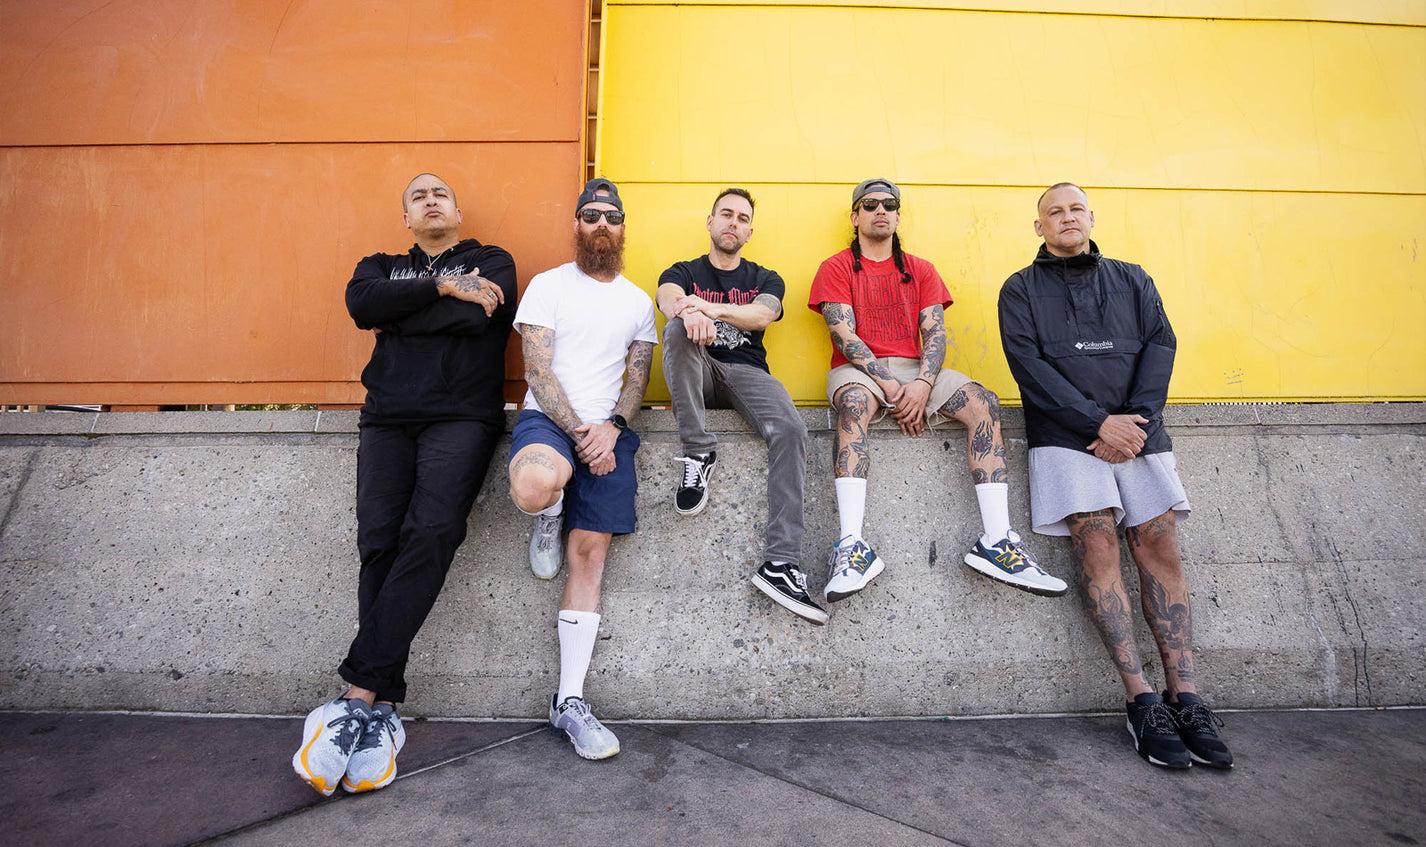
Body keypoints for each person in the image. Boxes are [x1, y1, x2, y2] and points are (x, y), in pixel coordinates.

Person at [294, 173, 516, 795]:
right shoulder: (379, 266)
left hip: (461, 417)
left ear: (458, 210)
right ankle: (383, 710)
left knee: (433, 532)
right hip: (387, 418)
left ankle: (355, 697)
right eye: (418, 196)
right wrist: (442, 288)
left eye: (440, 194)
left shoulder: (492, 260)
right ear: (406, 218)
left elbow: (476, 320)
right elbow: (363, 307)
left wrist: (401, 315)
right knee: (378, 543)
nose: (430, 200)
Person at [998, 182, 1233, 770]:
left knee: (1161, 550)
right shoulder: (1019, 288)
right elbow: (1028, 367)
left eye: (1076, 208)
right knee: (1098, 551)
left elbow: (1161, 346)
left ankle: (1186, 696)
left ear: (1091, 217)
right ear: (1039, 227)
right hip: (1066, 438)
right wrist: (1097, 423)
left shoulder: (1133, 279)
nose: (1067, 217)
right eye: (1054, 212)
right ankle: (1141, 700)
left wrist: (1133, 423)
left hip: (1139, 432)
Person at [807, 178, 1067, 606]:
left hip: (918, 371)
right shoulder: (836, 267)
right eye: (869, 204)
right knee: (854, 403)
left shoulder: (921, 269)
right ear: (855, 216)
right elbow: (844, 336)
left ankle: (997, 541)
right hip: (860, 371)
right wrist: (891, 385)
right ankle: (851, 546)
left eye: (889, 204)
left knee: (984, 403)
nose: (880, 210)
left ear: (897, 215)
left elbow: (935, 334)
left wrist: (923, 384)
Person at [506, 178, 656, 760]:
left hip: (608, 432)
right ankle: (549, 512)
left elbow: (636, 379)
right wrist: (580, 434)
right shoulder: (548, 285)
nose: (601, 224)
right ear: (576, 224)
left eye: (611, 217)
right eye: (590, 215)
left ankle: (568, 701)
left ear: (622, 228)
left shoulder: (637, 301)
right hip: (552, 422)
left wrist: (612, 428)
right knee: (533, 486)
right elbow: (537, 371)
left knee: (590, 555)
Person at [657, 189, 822, 625]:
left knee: (792, 430)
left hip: (748, 372)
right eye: (726, 214)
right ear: (710, 222)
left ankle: (781, 563)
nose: (733, 222)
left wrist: (708, 309)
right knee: (676, 330)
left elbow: (762, 316)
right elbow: (668, 298)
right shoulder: (683, 270)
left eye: (742, 218)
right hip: (698, 369)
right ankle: (698, 452)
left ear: (750, 232)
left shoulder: (766, 278)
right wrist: (687, 312)